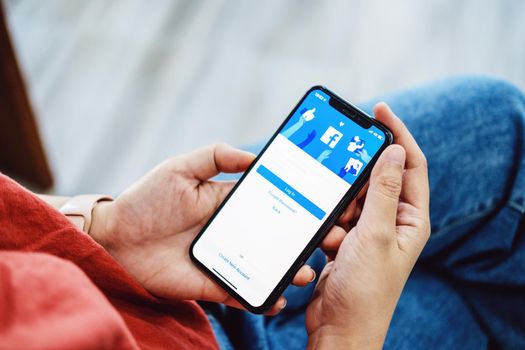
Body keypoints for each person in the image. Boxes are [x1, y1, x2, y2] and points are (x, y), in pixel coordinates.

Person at [0, 76, 524, 349]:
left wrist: (101, 231)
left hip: (124, 274)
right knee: (464, 297)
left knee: (496, 124)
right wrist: (346, 336)